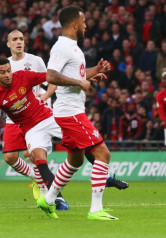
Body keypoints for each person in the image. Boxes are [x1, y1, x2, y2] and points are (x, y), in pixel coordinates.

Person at [37, 5, 118, 220]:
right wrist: (80, 82)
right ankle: (95, 210)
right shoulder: (62, 46)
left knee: (75, 161)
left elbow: (76, 75)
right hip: (70, 112)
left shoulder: (73, 47)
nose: (85, 26)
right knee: (103, 154)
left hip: (69, 112)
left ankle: (48, 199)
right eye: (83, 22)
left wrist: (95, 72)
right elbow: (51, 76)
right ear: (75, 24)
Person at [2, 30, 70, 210]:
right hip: (13, 118)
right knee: (10, 156)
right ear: (8, 44)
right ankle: (35, 175)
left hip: (37, 114)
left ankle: (52, 195)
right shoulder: (4, 66)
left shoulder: (35, 61)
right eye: (15, 39)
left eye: (21, 39)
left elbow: (52, 79)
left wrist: (46, 94)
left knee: (34, 155)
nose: (19, 42)